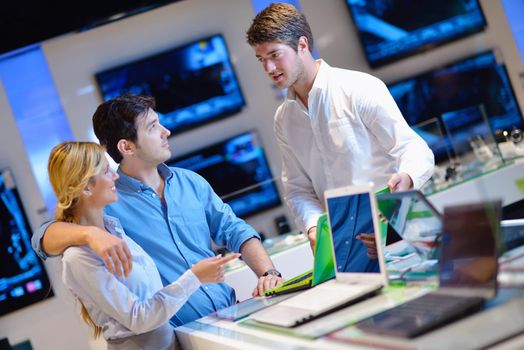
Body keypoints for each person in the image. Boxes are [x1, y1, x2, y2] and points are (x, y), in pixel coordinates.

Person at [32, 95, 283, 327]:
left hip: (233, 314)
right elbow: (42, 239)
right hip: (180, 335)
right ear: (127, 147)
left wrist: (268, 274)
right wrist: (89, 234)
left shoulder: (190, 182)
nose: (166, 132)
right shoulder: (106, 201)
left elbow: (235, 230)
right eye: (153, 127)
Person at [246, 3, 434, 261]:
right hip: (346, 242)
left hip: (397, 226)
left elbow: (413, 148)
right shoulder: (284, 119)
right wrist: (313, 226)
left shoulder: (359, 88)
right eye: (261, 60)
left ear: (302, 45)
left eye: (274, 55)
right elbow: (298, 189)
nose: (268, 68)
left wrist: (407, 177)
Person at [48, 141, 240, 349]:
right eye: (106, 171)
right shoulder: (78, 257)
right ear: (85, 187)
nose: (115, 176)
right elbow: (139, 318)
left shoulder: (114, 229)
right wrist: (194, 277)